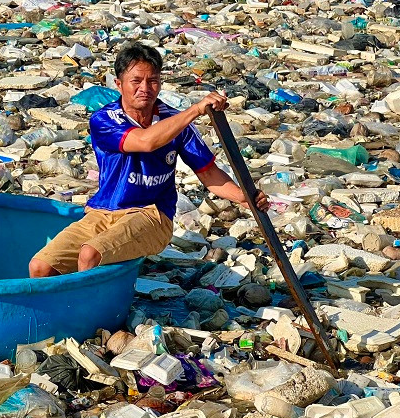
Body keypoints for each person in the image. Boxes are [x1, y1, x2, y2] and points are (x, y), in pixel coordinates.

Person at [29, 42, 269, 277]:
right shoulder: (104, 120)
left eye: (152, 81)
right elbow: (145, 142)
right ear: (118, 84)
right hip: (102, 212)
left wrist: (244, 197)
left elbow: (207, 172)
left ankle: (91, 313)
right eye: (136, 81)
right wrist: (195, 110)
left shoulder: (175, 122)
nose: (145, 88)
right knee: (40, 267)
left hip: (152, 214)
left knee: (90, 254)